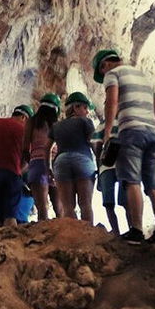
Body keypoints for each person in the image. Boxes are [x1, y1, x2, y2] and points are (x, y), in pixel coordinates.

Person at [92, 48, 155, 244]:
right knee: (153, 186)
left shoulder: (113, 73)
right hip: (153, 132)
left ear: (104, 65)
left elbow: (112, 102)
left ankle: (136, 230)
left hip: (132, 131)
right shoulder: (144, 76)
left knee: (132, 181)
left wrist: (108, 132)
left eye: (101, 72)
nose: (104, 76)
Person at [51, 91, 98, 223]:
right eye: (85, 107)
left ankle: (72, 238)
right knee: (85, 204)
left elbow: (46, 148)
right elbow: (92, 143)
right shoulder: (86, 122)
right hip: (82, 160)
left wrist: (47, 168)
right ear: (76, 107)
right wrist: (99, 163)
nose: (87, 112)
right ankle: (88, 236)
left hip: (61, 162)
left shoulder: (57, 125)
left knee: (67, 207)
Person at [22, 93, 61, 221]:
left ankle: (44, 238)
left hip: (37, 163)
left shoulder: (32, 121)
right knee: (59, 207)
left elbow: (25, 147)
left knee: (42, 207)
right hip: (56, 164)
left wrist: (30, 161)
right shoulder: (57, 124)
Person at [93, 125, 124, 234]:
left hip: (106, 167)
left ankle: (116, 231)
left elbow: (97, 147)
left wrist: (99, 164)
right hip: (123, 165)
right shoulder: (125, 120)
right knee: (126, 200)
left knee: (108, 202)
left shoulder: (102, 125)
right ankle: (132, 228)